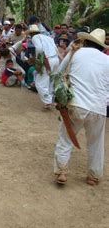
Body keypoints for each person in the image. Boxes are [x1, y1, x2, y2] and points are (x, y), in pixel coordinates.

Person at [53, 28, 109, 186]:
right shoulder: (107, 60)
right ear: (102, 46)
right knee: (96, 143)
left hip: (76, 104)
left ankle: (62, 171)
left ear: (86, 41)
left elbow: (59, 72)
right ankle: (93, 176)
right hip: (99, 107)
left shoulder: (75, 53)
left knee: (65, 137)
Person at [28, 24, 59, 109]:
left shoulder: (35, 37)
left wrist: (41, 62)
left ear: (31, 33)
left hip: (47, 60)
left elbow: (40, 49)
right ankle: (51, 100)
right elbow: (56, 49)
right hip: (55, 59)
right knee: (51, 81)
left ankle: (47, 102)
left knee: (40, 83)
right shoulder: (48, 38)